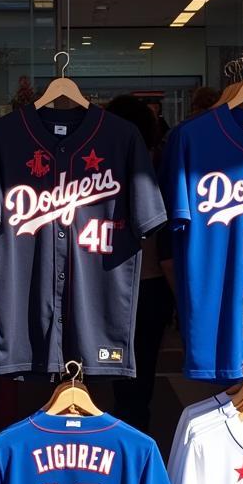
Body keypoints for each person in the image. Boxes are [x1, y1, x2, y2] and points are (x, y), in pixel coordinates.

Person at [106, 94, 175, 433]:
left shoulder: (99, 169)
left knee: (102, 373)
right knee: (141, 375)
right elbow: (166, 245)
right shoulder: (159, 169)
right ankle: (135, 440)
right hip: (150, 285)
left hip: (105, 284)